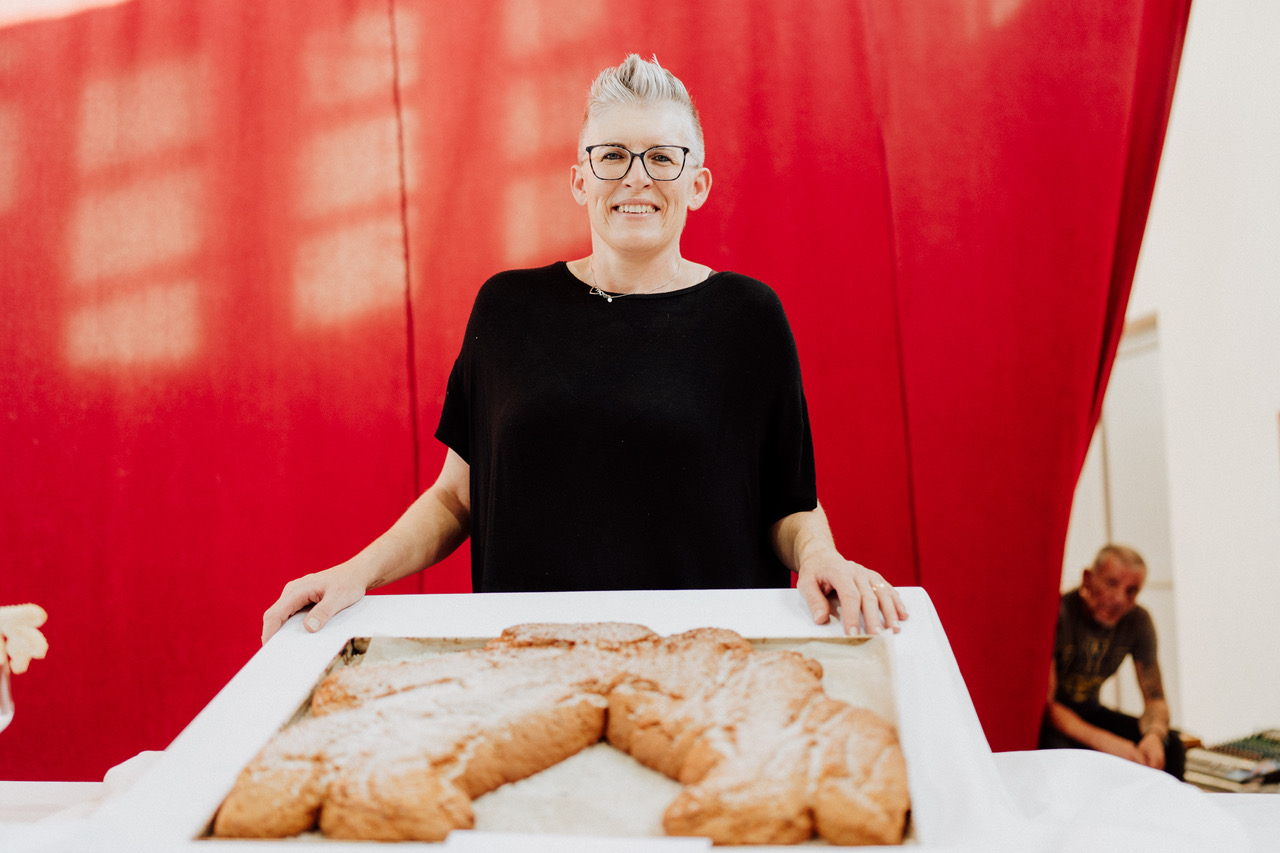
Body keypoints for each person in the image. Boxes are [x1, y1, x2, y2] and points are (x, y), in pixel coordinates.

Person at [261, 55, 907, 644]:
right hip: (531, 667)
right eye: (613, 156)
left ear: (698, 183)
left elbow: (788, 504)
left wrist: (821, 556)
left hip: (705, 666)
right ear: (579, 180)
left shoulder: (750, 317)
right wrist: (356, 573)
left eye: (662, 157)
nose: (636, 177)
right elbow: (456, 498)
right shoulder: (507, 309)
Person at [1040, 544, 1184, 779]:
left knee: (1173, 747)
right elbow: (1048, 707)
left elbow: (1155, 698)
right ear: (1087, 578)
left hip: (1091, 711)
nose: (1119, 599)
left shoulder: (1138, 621)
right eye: (1111, 583)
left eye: (1131, 591)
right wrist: (1107, 743)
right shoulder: (1059, 614)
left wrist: (1154, 735)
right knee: (1062, 755)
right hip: (1054, 722)